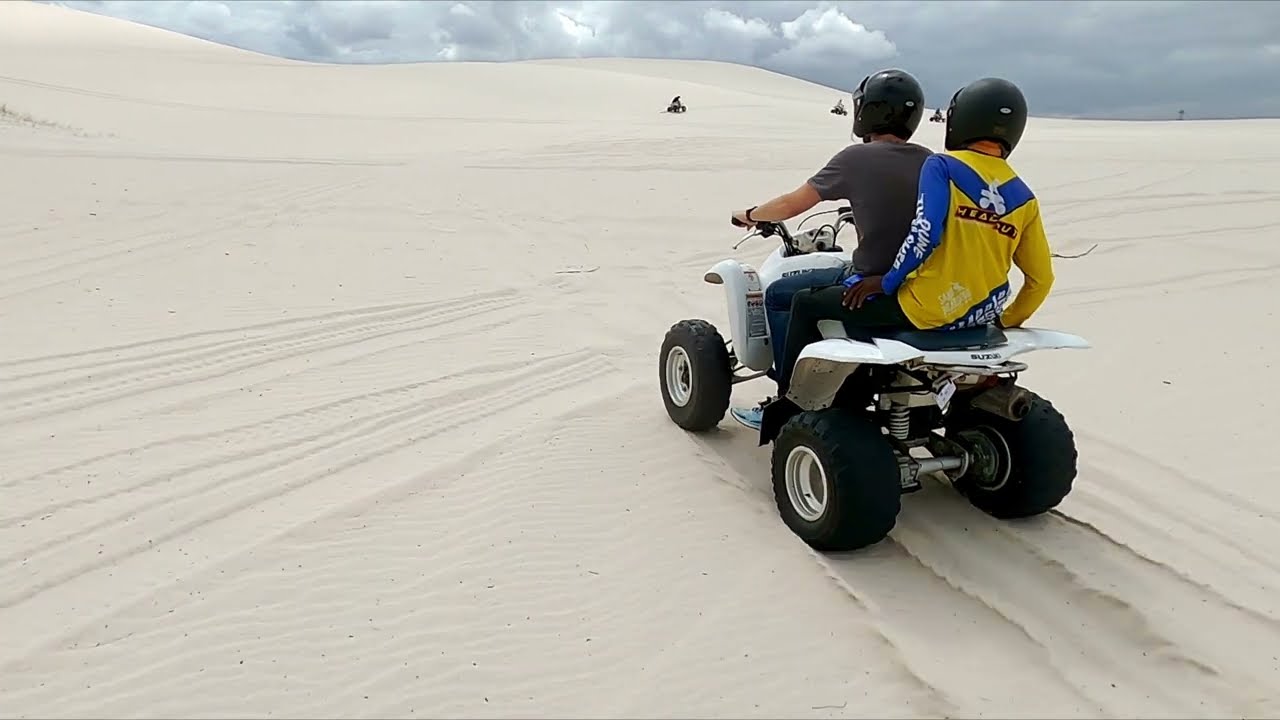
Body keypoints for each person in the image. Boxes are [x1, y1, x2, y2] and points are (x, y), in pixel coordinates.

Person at [772, 77, 1056, 403]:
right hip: (979, 315)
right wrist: (1007, 319)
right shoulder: (1024, 197)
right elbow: (1041, 279)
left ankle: (788, 401)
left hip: (924, 309)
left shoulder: (943, 166)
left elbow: (924, 233)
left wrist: (886, 282)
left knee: (806, 303)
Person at [726, 68, 932, 429]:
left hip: (870, 282)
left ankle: (786, 399)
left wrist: (750, 214)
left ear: (867, 110)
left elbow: (793, 203)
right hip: (924, 285)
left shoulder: (855, 158)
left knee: (779, 294)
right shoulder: (932, 161)